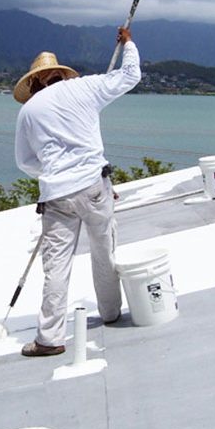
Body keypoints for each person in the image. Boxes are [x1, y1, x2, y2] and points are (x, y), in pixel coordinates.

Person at [13, 27, 141, 356]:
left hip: (57, 196)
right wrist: (128, 43)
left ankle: (50, 339)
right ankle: (111, 312)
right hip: (94, 186)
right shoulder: (85, 88)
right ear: (58, 73)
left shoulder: (28, 112)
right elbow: (131, 75)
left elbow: (26, 161)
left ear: (36, 81)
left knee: (56, 267)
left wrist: (55, 173)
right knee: (104, 250)